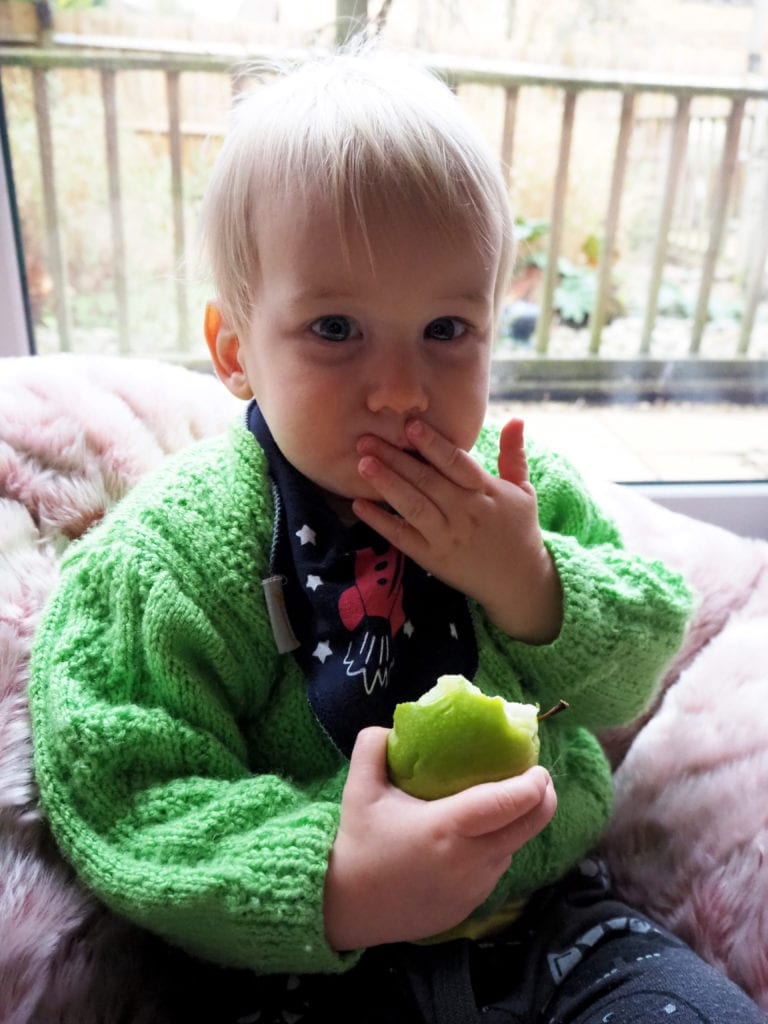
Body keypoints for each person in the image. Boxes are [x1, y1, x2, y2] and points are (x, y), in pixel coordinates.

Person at [28, 46, 767, 1024]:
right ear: (235, 349)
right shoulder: (180, 550)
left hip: (549, 921)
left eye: (447, 330)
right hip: (298, 961)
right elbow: (122, 778)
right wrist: (332, 878)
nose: (401, 389)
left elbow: (639, 659)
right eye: (336, 328)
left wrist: (533, 585)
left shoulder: (517, 491)